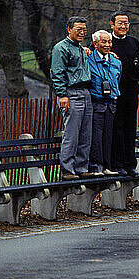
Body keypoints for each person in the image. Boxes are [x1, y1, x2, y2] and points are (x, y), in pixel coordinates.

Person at [50, 16, 93, 180]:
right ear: (69, 29)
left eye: (84, 30)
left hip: (85, 92)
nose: (82, 33)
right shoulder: (60, 48)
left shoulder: (81, 49)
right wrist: (62, 95)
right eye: (78, 30)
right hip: (71, 93)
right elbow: (57, 73)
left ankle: (81, 167)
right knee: (72, 133)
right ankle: (67, 169)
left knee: (85, 133)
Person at [110, 11, 139, 176]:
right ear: (112, 24)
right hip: (113, 91)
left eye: (126, 23)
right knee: (116, 127)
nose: (123, 26)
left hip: (131, 89)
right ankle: (117, 164)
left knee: (130, 127)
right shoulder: (106, 41)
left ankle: (130, 164)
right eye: (120, 23)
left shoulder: (133, 42)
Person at [88, 30, 122, 176]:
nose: (107, 45)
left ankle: (107, 166)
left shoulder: (116, 62)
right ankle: (96, 166)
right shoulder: (88, 59)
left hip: (111, 103)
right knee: (96, 136)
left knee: (109, 135)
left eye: (109, 41)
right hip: (96, 103)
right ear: (96, 44)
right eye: (104, 41)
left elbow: (117, 80)